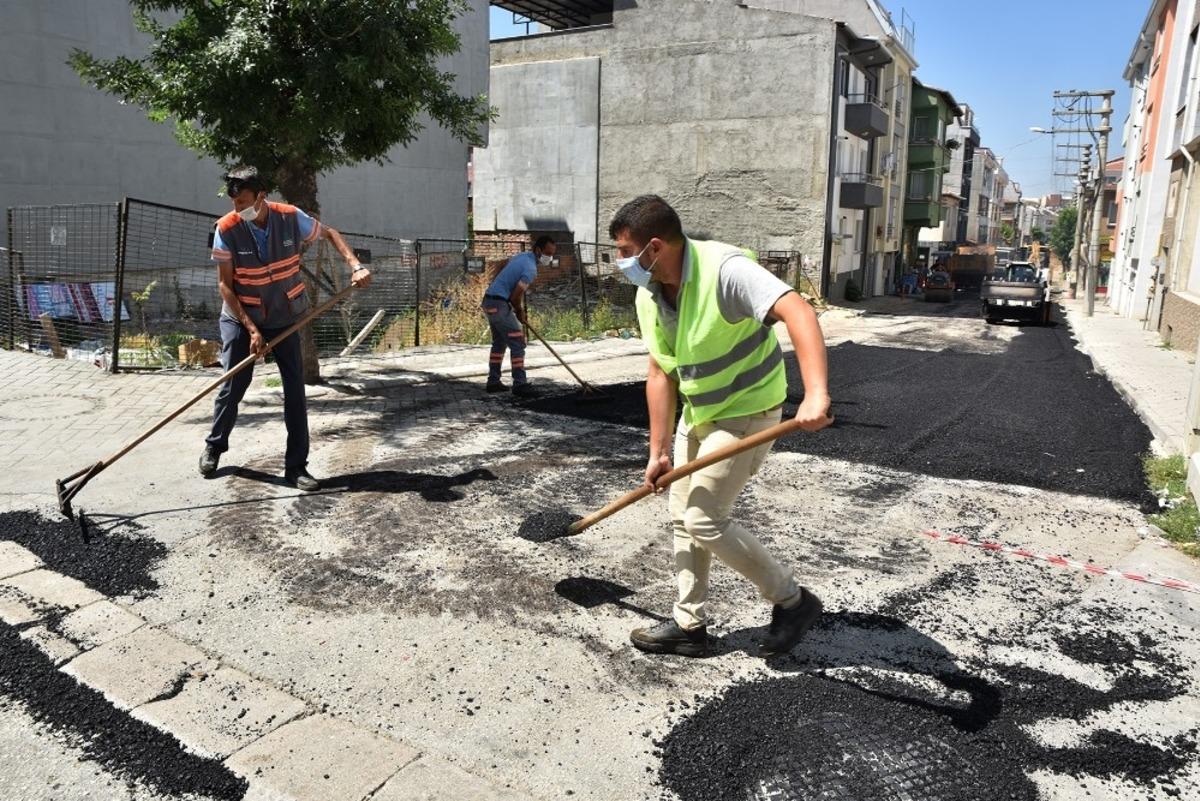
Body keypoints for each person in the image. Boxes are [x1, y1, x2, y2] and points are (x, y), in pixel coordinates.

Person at [610, 195, 833, 658]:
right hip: (701, 413)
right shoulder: (649, 293)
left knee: (703, 518)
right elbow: (660, 372)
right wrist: (658, 451)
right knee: (680, 515)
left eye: (624, 251)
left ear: (654, 247)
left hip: (749, 412)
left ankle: (793, 601)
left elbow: (799, 312)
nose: (620, 263)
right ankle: (688, 626)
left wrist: (815, 395)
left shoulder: (724, 270)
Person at [198, 166, 371, 490]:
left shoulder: (290, 217)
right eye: (235, 203)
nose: (239, 210)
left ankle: (297, 468)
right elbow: (225, 286)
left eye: (245, 203)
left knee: (295, 392)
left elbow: (330, 233)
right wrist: (251, 330)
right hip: (241, 316)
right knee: (233, 386)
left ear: (262, 196)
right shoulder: (226, 228)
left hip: (285, 317)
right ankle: (215, 446)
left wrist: (355, 264)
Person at [481, 236, 556, 396]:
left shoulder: (522, 257)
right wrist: (520, 312)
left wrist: (496, 285)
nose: (549, 258)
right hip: (500, 304)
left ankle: (493, 382)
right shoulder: (530, 269)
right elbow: (515, 297)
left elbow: (501, 264)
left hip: (489, 301)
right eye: (547, 253)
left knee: (499, 343)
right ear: (538, 250)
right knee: (518, 342)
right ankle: (520, 384)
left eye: (552, 254)